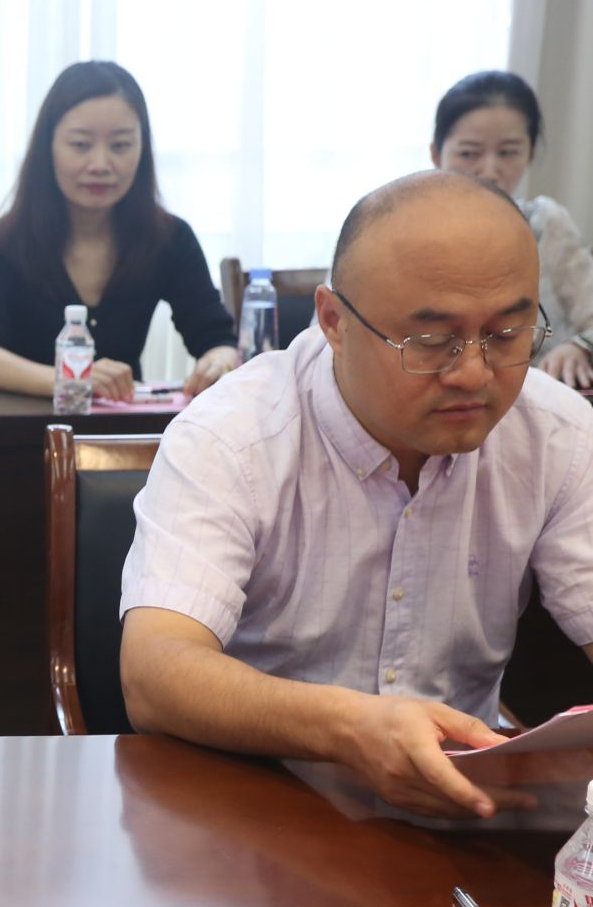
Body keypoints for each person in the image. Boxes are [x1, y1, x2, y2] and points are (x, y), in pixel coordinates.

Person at [119, 170, 593, 820]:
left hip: (462, 811)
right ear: (334, 321)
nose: (474, 373)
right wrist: (348, 729)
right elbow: (154, 671)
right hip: (251, 806)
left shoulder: (557, 433)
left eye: (507, 334)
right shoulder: (234, 435)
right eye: (433, 342)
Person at [0, 61, 239, 401]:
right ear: (48, 148)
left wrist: (218, 362)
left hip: (127, 429)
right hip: (22, 425)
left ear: (142, 149)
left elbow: (219, 340)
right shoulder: (0, 246)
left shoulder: (169, 239)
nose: (100, 164)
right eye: (80, 145)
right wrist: (73, 380)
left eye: (120, 146)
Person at [430, 70, 593, 389]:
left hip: (541, 398)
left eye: (507, 152)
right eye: (469, 153)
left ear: (529, 153)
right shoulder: (403, 232)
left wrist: (580, 346)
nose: (490, 170)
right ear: (436, 154)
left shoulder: (546, 224)